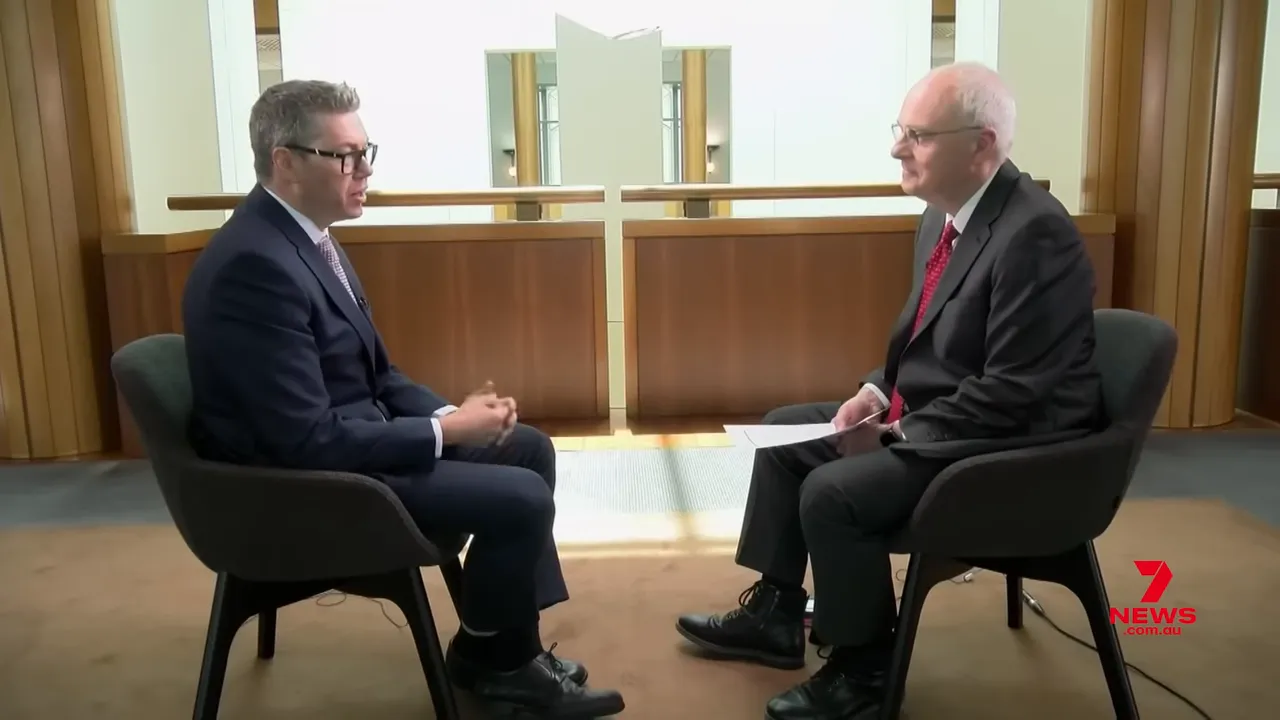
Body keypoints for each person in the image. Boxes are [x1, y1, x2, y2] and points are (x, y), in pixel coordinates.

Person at [182, 79, 625, 719]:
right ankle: (504, 666)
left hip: (344, 446)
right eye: (345, 157)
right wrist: (447, 436)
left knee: (525, 449)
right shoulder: (255, 266)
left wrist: (450, 415)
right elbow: (304, 441)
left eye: (367, 152)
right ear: (285, 162)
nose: (364, 171)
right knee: (522, 494)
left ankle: (495, 648)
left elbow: (378, 375)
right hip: (299, 487)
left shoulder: (308, 238)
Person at [675, 62, 1104, 719]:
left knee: (834, 491)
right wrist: (875, 396)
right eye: (901, 130)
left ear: (982, 144)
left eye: (919, 135)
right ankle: (779, 614)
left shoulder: (1035, 234)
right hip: (949, 416)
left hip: (1011, 447)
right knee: (787, 433)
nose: (897, 148)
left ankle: (865, 667)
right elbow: (923, 346)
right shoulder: (943, 217)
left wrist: (895, 435)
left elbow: (1016, 391)